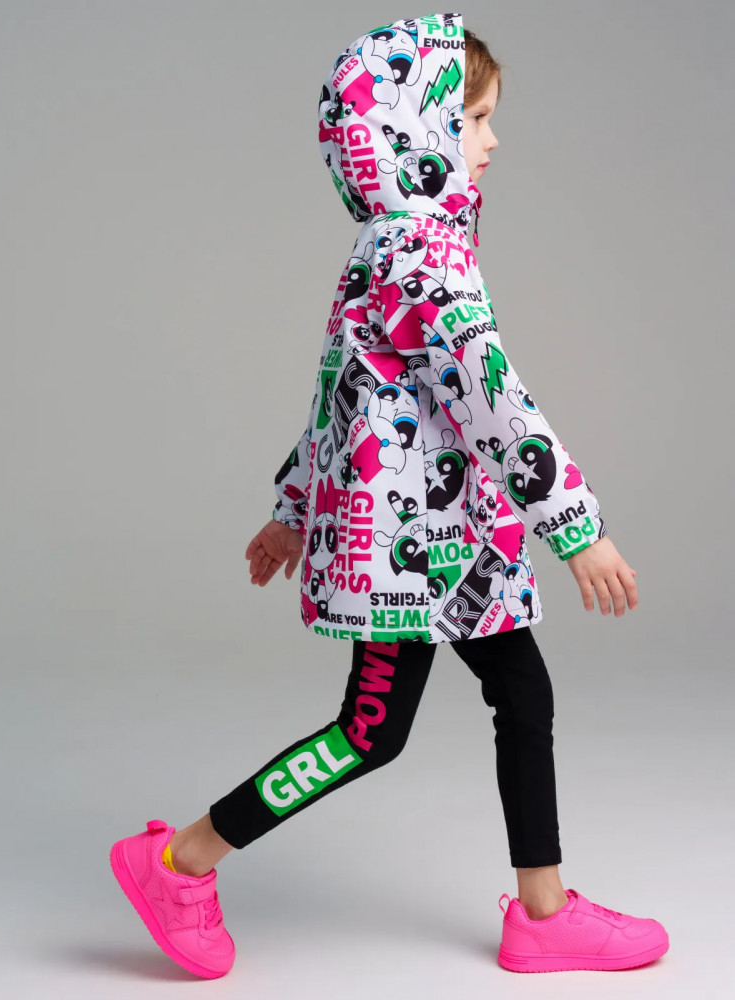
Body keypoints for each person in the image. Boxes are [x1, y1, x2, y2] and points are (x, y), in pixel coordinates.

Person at [110, 12, 669, 979]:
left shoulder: (389, 246)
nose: (493, 140)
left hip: (450, 540)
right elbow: (490, 396)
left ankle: (542, 912)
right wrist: (576, 528)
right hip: (414, 553)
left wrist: (292, 513)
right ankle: (178, 861)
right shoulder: (422, 254)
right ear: (412, 131)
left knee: (517, 692)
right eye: (474, 118)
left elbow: (345, 395)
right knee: (369, 733)